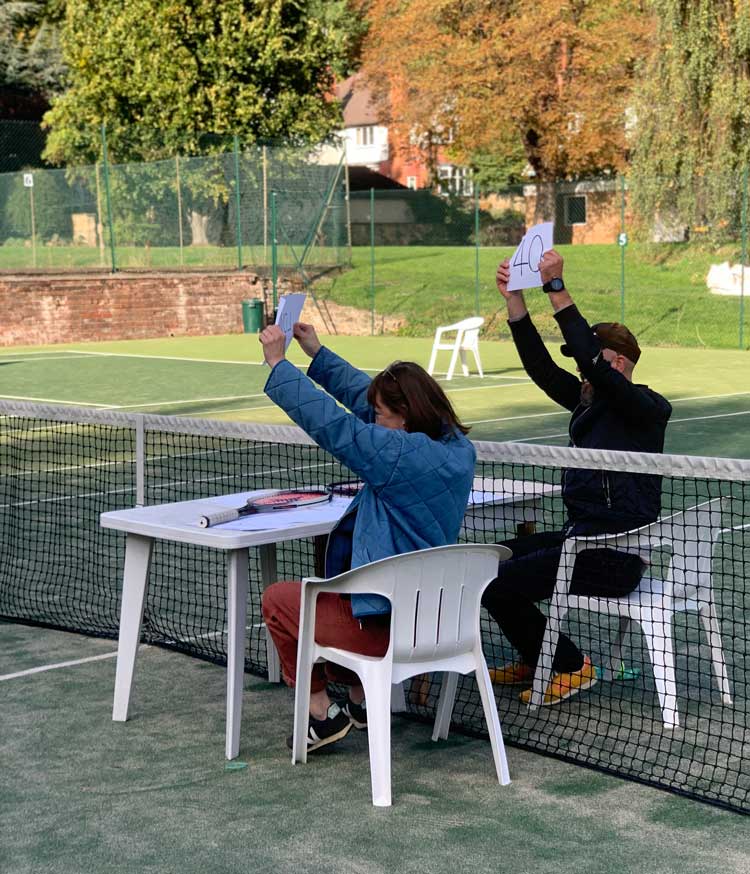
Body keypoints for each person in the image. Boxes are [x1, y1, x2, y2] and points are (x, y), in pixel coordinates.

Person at [258, 321, 476, 751]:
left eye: (381, 416)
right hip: (434, 623)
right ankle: (359, 700)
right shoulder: (454, 448)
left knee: (280, 600)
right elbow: (368, 400)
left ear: (407, 416)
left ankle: (320, 713)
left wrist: (279, 364)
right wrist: (317, 354)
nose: (373, 418)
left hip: (388, 632)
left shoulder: (399, 455)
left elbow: (339, 428)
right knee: (340, 594)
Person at [483, 249, 672, 706]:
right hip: (582, 540)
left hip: (615, 554)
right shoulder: (589, 402)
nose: (579, 370)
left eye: (590, 362)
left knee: (498, 585)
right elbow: (541, 369)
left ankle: (567, 664)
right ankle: (538, 655)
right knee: (491, 562)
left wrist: (556, 289)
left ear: (619, 364)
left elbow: (592, 367)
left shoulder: (646, 409)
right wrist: (515, 301)